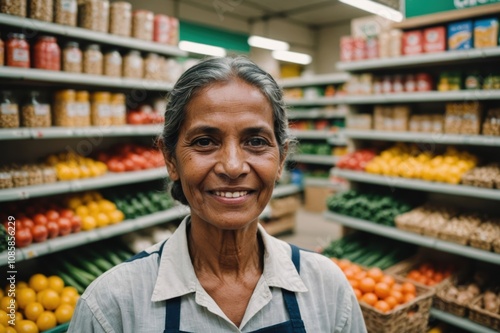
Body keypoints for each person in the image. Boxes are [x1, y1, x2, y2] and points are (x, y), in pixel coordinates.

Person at [68, 56, 367, 332]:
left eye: (255, 141)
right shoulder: (112, 306)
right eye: (204, 142)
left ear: (281, 158)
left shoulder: (328, 288)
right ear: (171, 159)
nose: (233, 167)